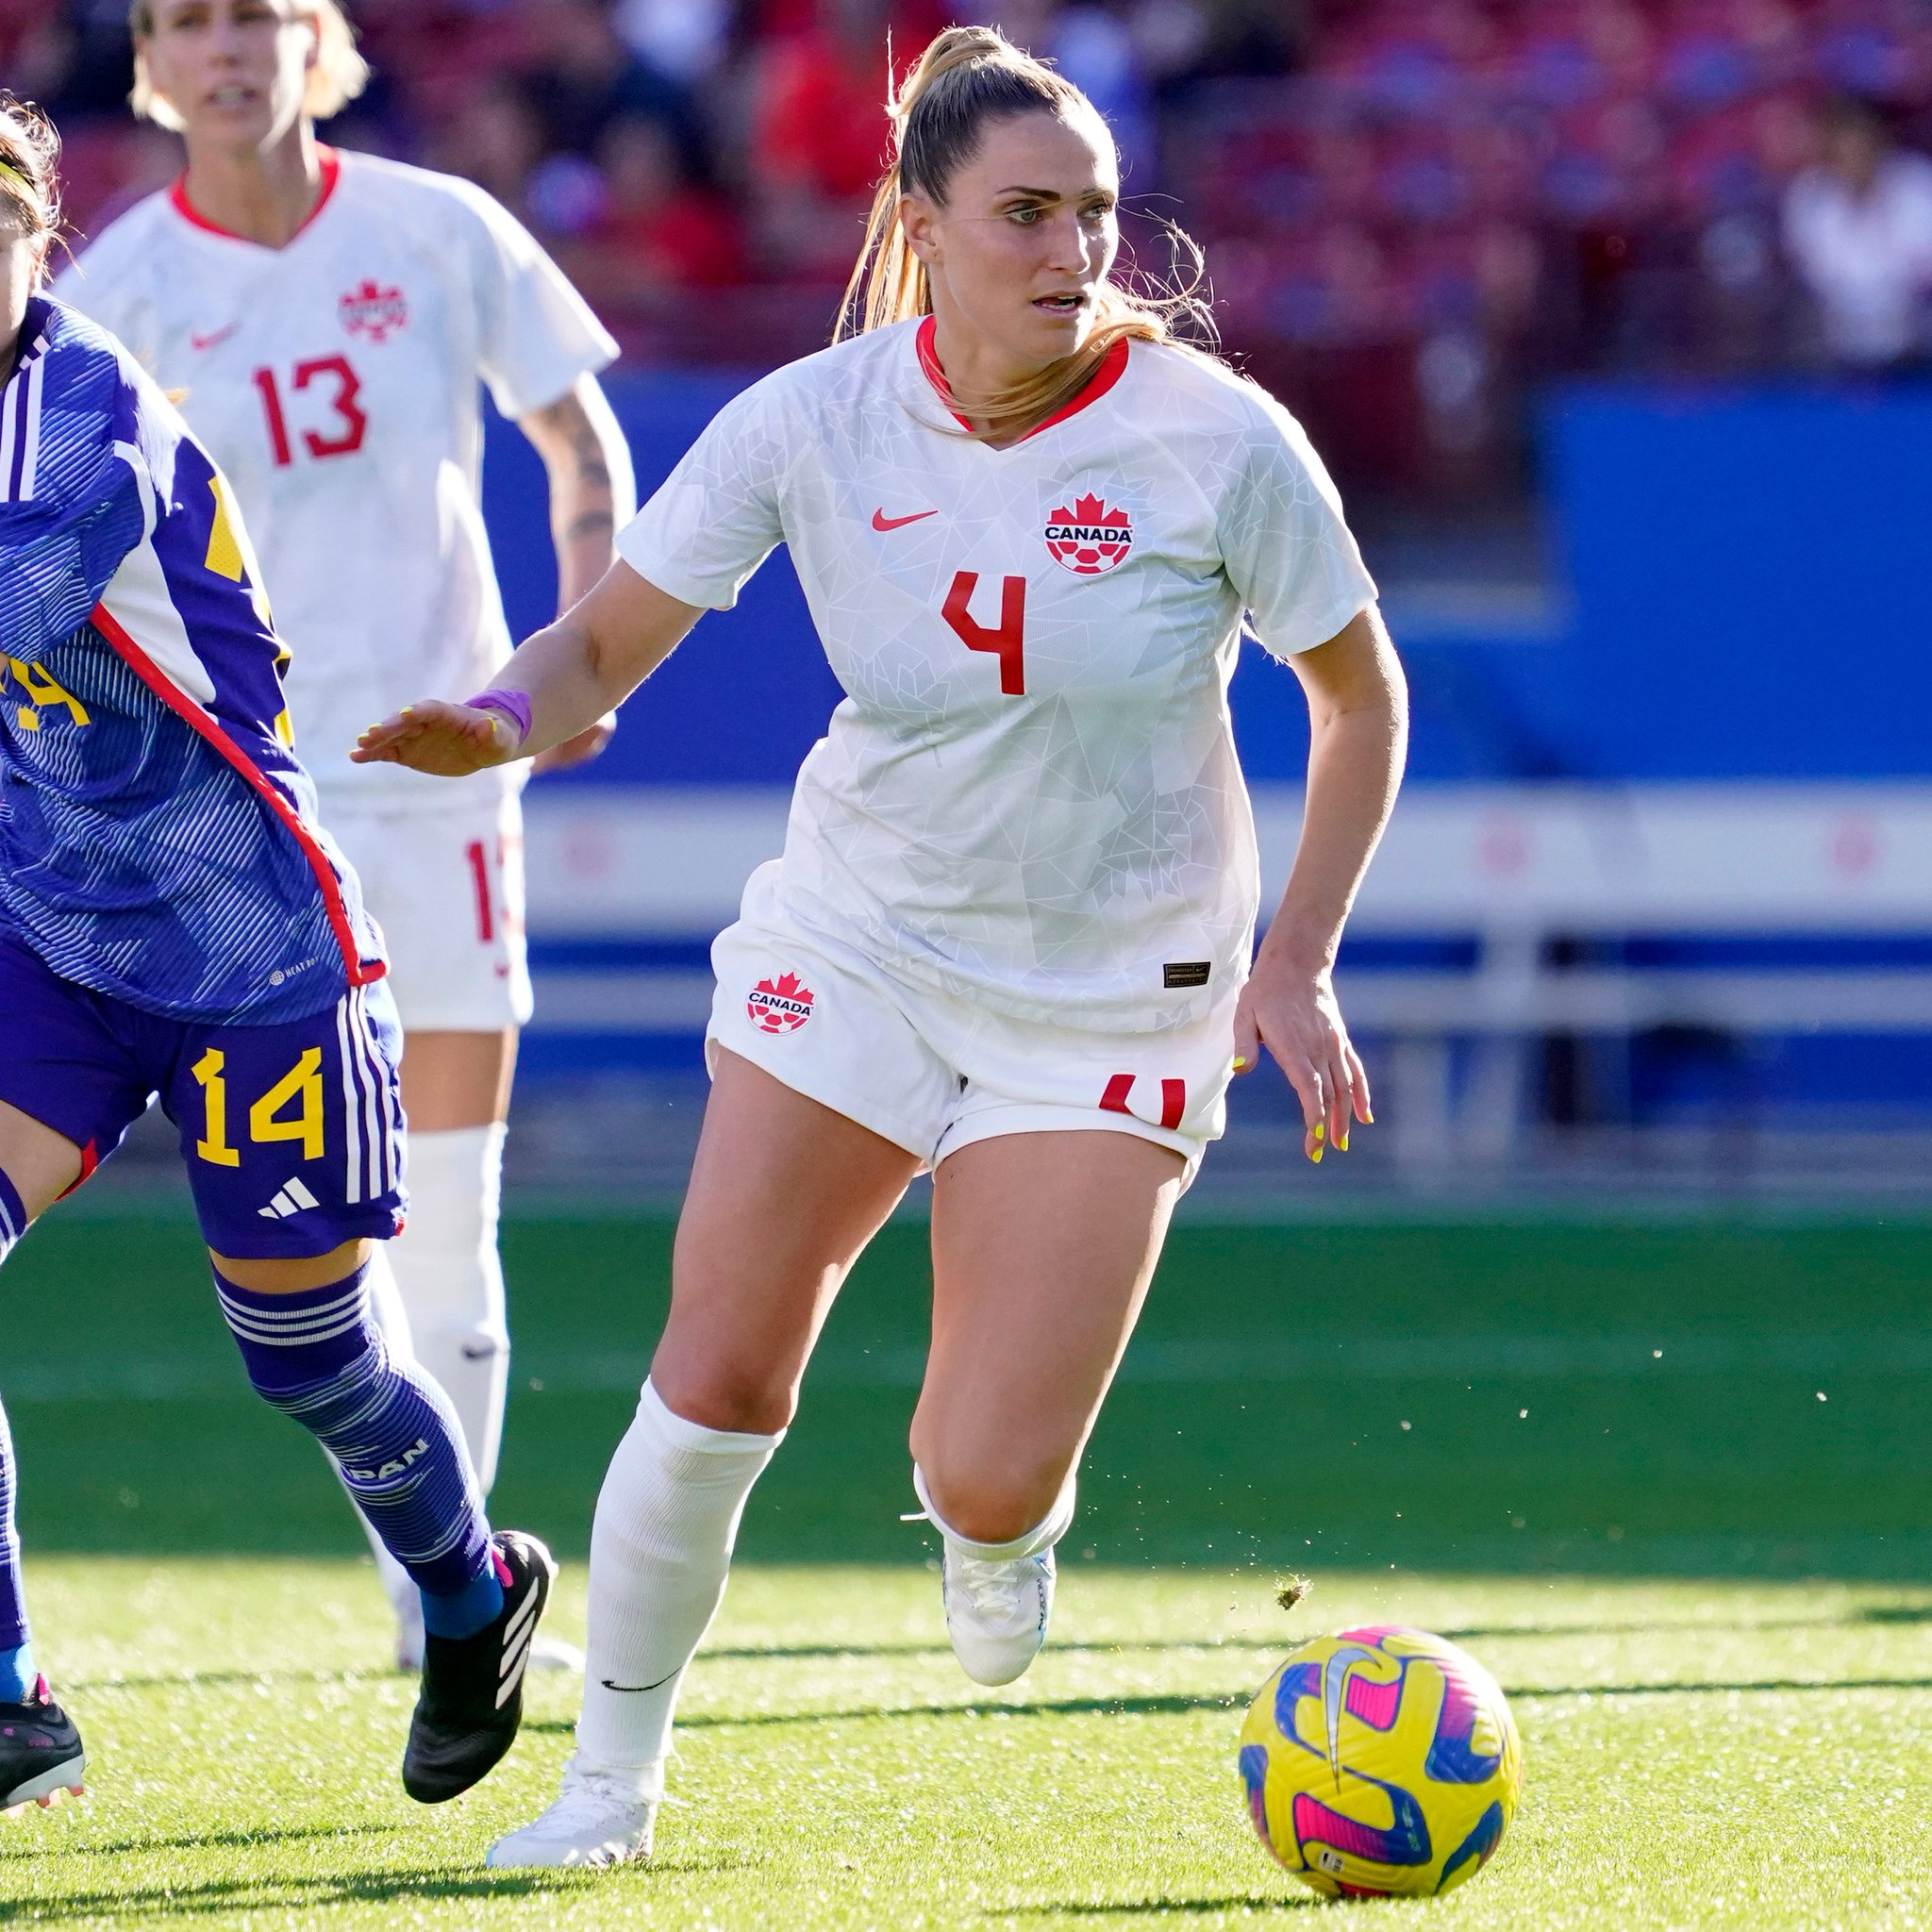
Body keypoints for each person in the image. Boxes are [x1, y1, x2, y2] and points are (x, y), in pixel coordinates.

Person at [357, 24, 1407, 1872]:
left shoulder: (1218, 443)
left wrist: (1293, 958)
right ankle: (609, 1784)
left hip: (1112, 992)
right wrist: (494, 719)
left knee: (978, 1467)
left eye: (1091, 211)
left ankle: (998, 1530)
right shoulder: (810, 420)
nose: (1070, 248)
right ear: (921, 222)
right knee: (720, 1371)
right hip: (856, 942)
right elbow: (598, 647)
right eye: (1023, 212)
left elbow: (1357, 698)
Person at [54, 0, 637, 1673]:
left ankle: (438, 1602)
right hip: (233, 812)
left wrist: (577, 638)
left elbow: (575, 431)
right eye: (187, 22)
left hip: (436, 767)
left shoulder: (438, 229)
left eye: (257, 14)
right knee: (315, 1225)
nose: (226, 48)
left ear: (316, 45)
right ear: (152, 69)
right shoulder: (112, 299)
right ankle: (435, 1556)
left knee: (452, 1209)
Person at [0, 95, 555, 1821]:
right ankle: (12, 1695)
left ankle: (472, 1589)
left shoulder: (82, 410)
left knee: (306, 1350)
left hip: (257, 948)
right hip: (47, 942)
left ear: (37, 239)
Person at [1783, 95, 1932, 373]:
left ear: (1881, 139)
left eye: (1861, 140)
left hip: (1916, 335)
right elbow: (1814, 274)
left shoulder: (1918, 184)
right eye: (1842, 143)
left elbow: (1922, 273)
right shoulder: (1809, 195)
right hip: (1835, 336)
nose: (1853, 153)